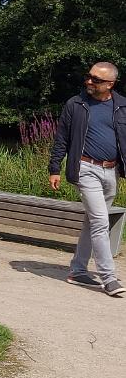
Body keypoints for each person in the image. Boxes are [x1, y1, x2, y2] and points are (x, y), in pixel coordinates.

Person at [48, 61, 126, 297]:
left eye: (96, 80)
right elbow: (61, 138)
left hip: (111, 171)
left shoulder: (122, 106)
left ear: (110, 84)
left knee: (92, 222)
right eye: (89, 76)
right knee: (101, 221)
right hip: (85, 168)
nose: (89, 81)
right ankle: (108, 278)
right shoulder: (76, 104)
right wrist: (54, 168)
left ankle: (78, 270)